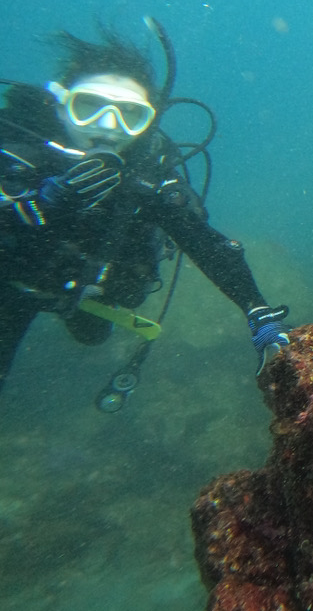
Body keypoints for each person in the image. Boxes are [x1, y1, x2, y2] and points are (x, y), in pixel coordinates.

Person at [0, 25, 291, 395]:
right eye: (88, 107)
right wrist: (38, 207)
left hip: (93, 293)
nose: (108, 127)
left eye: (130, 115)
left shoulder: (147, 172)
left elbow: (204, 242)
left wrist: (258, 311)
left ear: (148, 121)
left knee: (92, 335)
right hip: (10, 288)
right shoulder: (13, 149)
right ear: (60, 104)